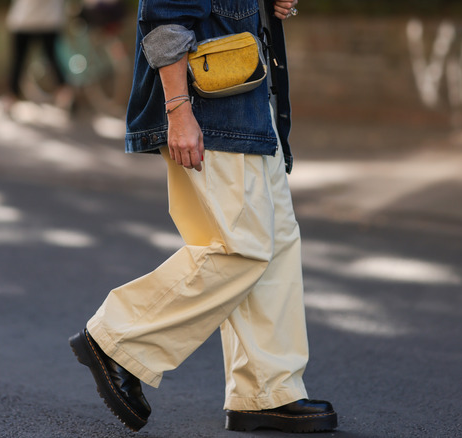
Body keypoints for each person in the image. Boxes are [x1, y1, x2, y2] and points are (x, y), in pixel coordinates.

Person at [68, 0, 338, 433]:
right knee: (243, 247)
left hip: (249, 100)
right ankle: (116, 339)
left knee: (278, 242)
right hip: (209, 108)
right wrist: (178, 111)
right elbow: (165, 15)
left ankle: (267, 391)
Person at [3, 0, 74, 110]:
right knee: (21, 59)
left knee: (50, 58)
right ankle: (11, 95)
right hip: (34, 19)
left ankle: (64, 93)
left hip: (41, 19)